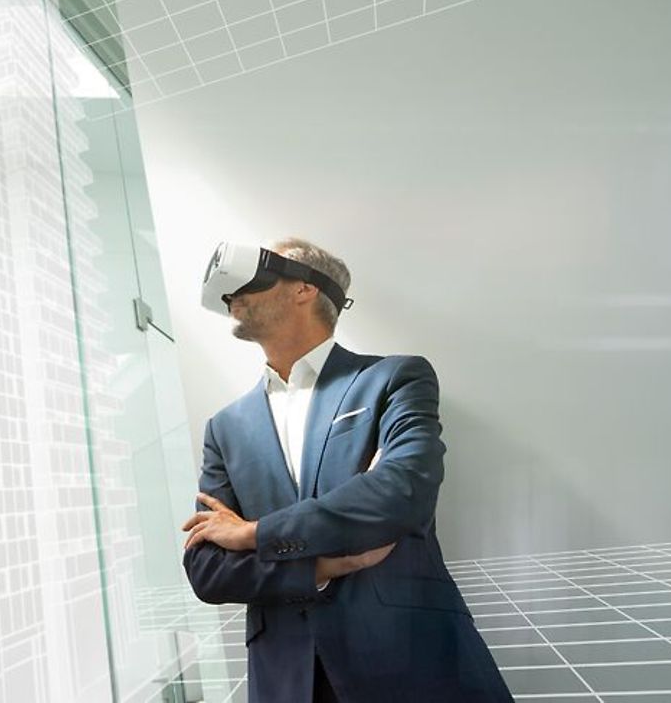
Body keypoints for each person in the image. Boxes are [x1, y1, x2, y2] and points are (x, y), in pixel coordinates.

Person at [181, 238, 513, 702]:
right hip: (286, 676)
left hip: (409, 658)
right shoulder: (225, 428)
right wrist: (321, 565)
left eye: (258, 275)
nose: (233, 293)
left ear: (304, 289)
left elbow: (401, 494)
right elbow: (207, 568)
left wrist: (255, 534)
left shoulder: (394, 379)